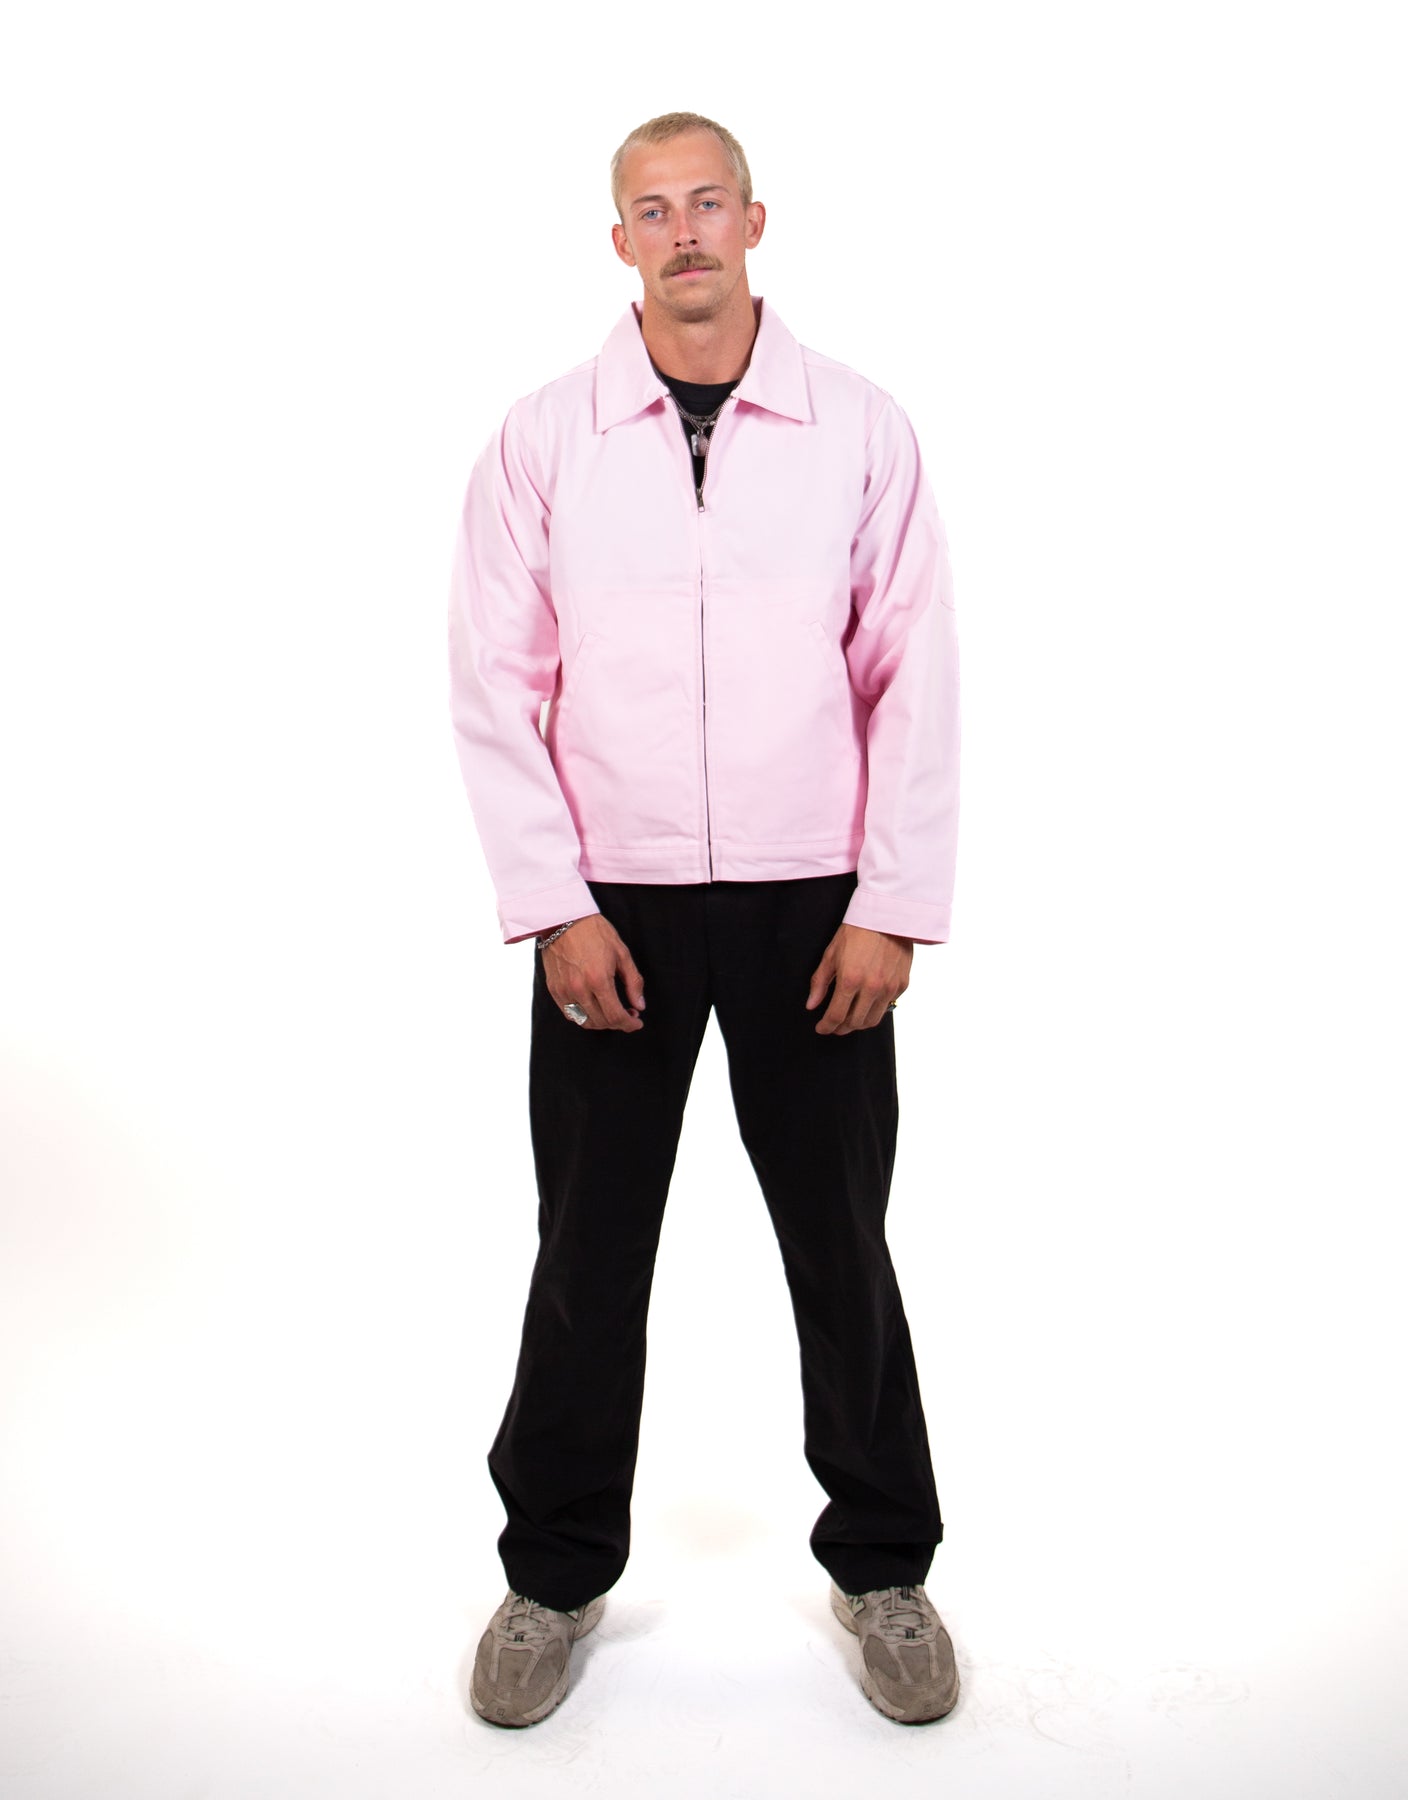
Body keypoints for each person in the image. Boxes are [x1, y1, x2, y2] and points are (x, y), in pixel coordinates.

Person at [447, 111, 962, 1728]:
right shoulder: (546, 439)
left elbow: (914, 672)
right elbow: (494, 681)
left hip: (817, 902)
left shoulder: (858, 428)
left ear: (754, 221)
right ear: (621, 242)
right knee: (588, 1253)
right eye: (652, 210)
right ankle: (551, 1577)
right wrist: (554, 903)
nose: (684, 232)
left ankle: (885, 1566)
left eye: (708, 203)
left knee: (841, 1244)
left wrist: (890, 904)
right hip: (615, 907)